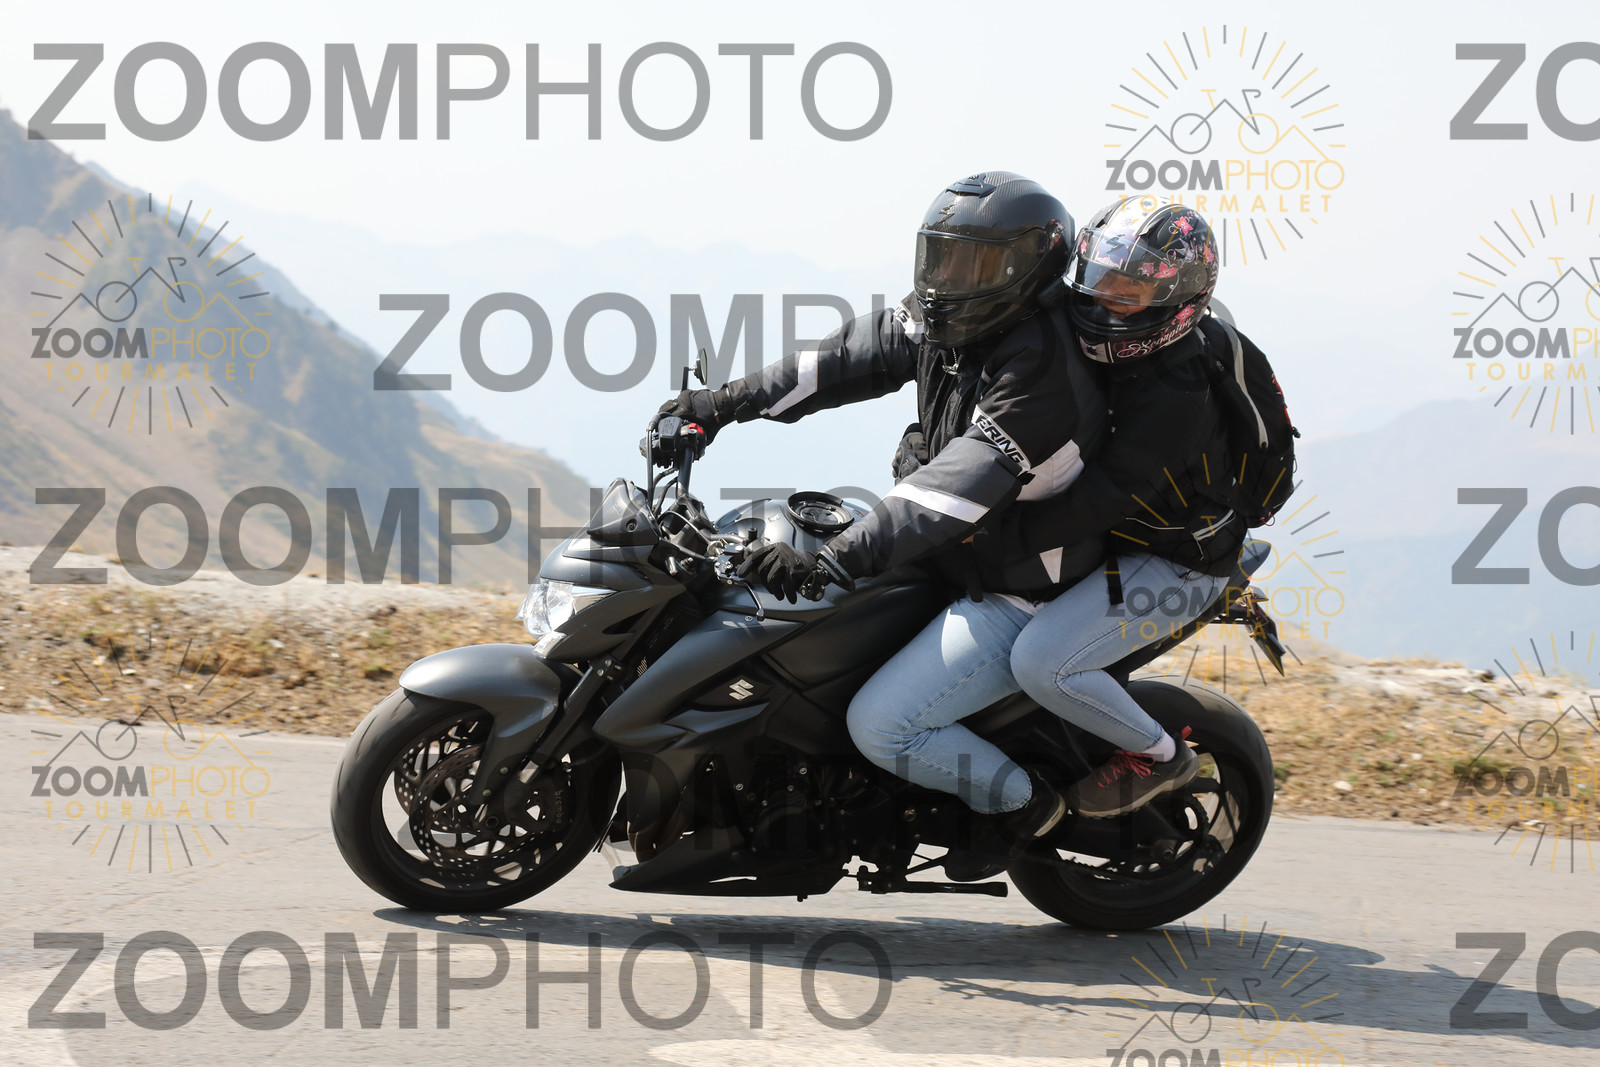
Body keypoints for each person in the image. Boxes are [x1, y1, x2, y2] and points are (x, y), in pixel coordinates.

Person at [653, 171, 1108, 848]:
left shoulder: (1041, 373)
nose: (949, 279)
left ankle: (1024, 807)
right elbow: (839, 361)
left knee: (882, 723)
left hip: (1018, 587)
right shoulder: (950, 321)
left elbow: (953, 489)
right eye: (943, 257)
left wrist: (833, 560)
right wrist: (720, 405)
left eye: (974, 264)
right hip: (955, 554)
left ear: (1028, 270)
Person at [845, 196, 1252, 879]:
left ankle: (1158, 755)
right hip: (1118, 542)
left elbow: (1099, 500)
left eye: (1128, 291)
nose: (1103, 298)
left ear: (1177, 301)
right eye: (1097, 277)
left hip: (1176, 559)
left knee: (1044, 662)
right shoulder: (1093, 340)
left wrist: (988, 534)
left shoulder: (1175, 388)